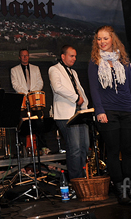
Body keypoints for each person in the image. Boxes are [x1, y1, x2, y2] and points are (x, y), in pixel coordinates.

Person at [87, 26, 131, 205]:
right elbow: (94, 89)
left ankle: (130, 188)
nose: (102, 42)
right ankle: (120, 190)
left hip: (127, 110)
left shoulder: (123, 61)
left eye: (105, 38)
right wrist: (99, 110)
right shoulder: (94, 62)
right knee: (113, 151)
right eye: (99, 39)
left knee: (128, 151)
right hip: (108, 111)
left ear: (113, 39)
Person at [49, 45, 89, 180]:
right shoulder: (54, 69)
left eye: (75, 56)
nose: (74, 58)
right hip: (65, 114)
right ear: (63, 56)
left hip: (79, 112)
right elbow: (58, 87)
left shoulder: (73, 72)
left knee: (84, 147)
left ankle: (83, 177)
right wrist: (76, 98)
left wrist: (85, 105)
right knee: (75, 148)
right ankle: (76, 180)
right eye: (71, 56)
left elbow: (79, 89)